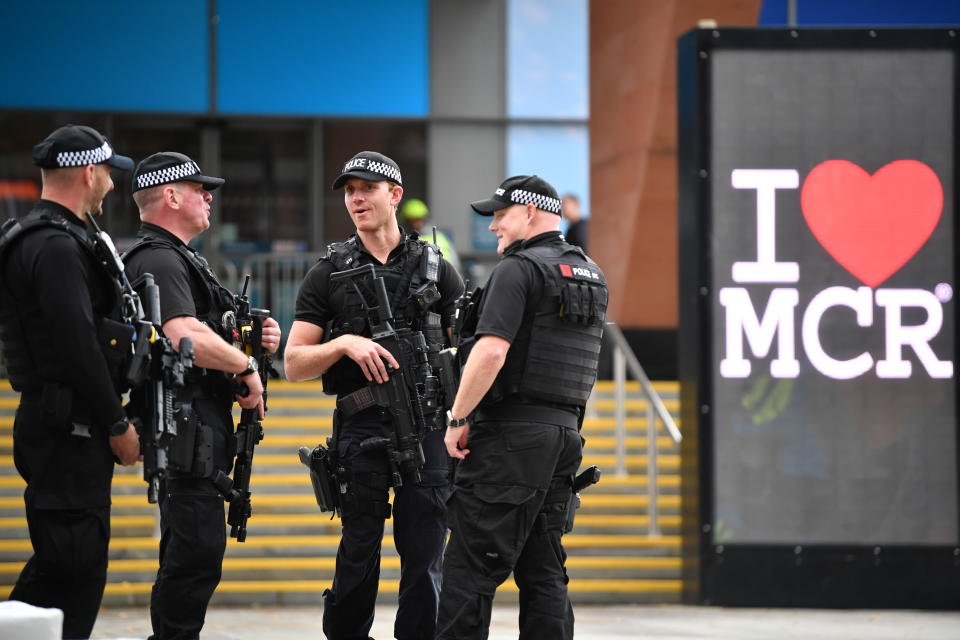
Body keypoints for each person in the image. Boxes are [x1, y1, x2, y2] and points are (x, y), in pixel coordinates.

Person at [285, 151, 464, 640]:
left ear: (395, 195)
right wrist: (343, 343)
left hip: (427, 426)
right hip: (361, 430)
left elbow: (465, 351)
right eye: (349, 190)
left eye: (367, 188)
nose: (357, 198)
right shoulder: (328, 272)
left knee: (426, 553)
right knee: (358, 549)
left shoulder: (438, 270)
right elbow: (294, 362)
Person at [436, 175, 609, 640]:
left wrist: (458, 417)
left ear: (528, 213)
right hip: (562, 440)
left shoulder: (519, 269)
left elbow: (492, 352)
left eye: (499, 215)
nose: (493, 226)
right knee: (544, 570)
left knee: (469, 569)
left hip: (510, 439)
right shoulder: (589, 273)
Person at [123, 151, 281, 640]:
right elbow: (180, 333)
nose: (209, 196)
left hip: (202, 429)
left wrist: (250, 339)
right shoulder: (159, 256)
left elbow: (206, 333)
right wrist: (245, 363)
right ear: (170, 196)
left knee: (197, 557)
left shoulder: (182, 259)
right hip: (187, 432)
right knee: (192, 559)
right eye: (198, 188)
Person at [0, 124, 141, 639]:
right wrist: (116, 421)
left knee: (71, 568)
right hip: (68, 428)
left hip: (65, 425)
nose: (109, 183)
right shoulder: (55, 246)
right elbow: (77, 345)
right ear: (88, 171)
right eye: (106, 173)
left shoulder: (58, 238)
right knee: (70, 570)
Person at [398, 197, 462, 272]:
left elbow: (453, 265)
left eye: (418, 219)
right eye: (412, 220)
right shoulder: (402, 238)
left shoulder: (439, 238)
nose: (415, 224)